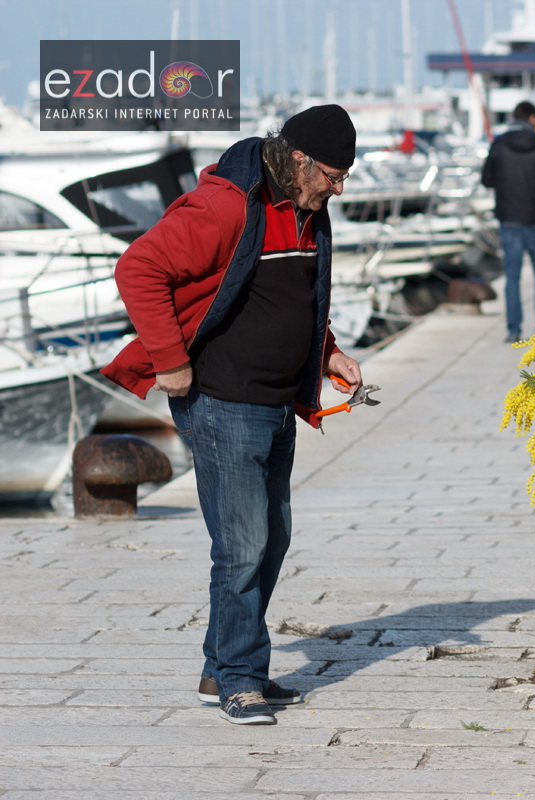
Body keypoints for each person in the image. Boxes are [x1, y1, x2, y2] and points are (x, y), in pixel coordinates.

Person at [101, 104, 364, 726]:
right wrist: (170, 361)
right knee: (243, 544)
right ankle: (242, 679)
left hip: (275, 402)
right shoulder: (224, 207)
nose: (338, 187)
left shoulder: (309, 212)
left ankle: (222, 666)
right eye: (332, 173)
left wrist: (330, 354)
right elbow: (138, 268)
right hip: (221, 400)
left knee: (269, 540)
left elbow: (297, 298)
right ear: (298, 159)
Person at [481, 100, 535, 343]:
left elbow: (487, 179)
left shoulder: (499, 145)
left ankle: (514, 330)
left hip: (509, 218)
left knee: (512, 277)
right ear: (533, 119)